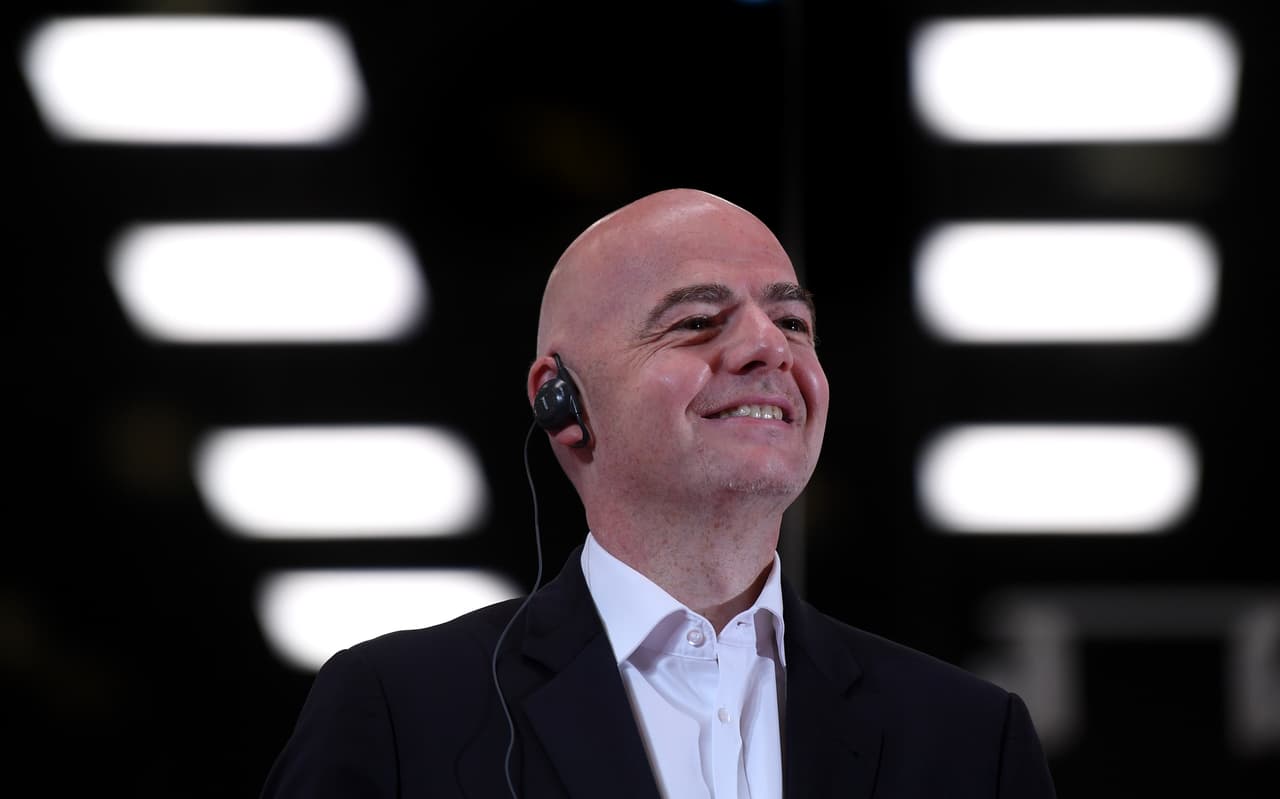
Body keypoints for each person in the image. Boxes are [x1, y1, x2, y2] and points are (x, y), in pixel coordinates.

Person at [260, 188, 1057, 798]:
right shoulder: (400, 714)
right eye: (698, 322)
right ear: (561, 403)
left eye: (794, 322)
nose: (767, 348)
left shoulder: (970, 740)